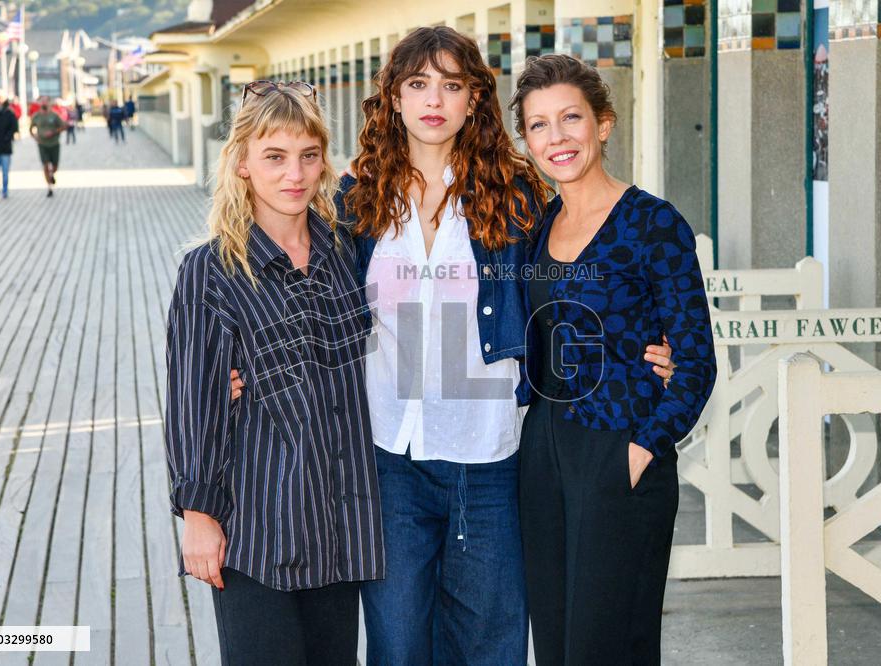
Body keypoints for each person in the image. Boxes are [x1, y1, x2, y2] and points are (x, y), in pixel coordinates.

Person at [273, 27, 672, 665]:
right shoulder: (357, 197)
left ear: (473, 100)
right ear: (394, 97)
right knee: (398, 646)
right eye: (419, 84)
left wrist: (645, 349)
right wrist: (244, 366)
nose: (435, 99)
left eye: (452, 85)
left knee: (491, 646)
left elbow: (571, 279)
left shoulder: (516, 196)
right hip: (389, 459)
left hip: (490, 458)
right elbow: (307, 294)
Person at [164, 80, 384, 666]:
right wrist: (198, 516)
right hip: (258, 530)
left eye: (308, 155)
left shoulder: (345, 251)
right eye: (275, 156)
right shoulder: (211, 271)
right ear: (242, 164)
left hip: (341, 524)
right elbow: (194, 402)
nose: (295, 174)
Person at [510, 54, 716, 665]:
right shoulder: (540, 224)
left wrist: (641, 449)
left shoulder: (654, 224)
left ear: (604, 123)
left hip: (619, 449)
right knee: (557, 642)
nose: (557, 137)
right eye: (539, 125)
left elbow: (696, 363)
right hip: (544, 451)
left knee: (606, 644)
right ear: (527, 141)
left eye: (571, 118)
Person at [29, 96, 66, 198]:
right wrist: (35, 137)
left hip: (54, 144)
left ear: (49, 103)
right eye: (42, 102)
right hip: (42, 144)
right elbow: (31, 129)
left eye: (46, 102)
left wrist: (53, 132)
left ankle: (52, 174)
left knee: (55, 166)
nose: (44, 104)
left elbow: (63, 126)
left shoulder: (54, 115)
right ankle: (49, 187)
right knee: (45, 166)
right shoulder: (36, 116)